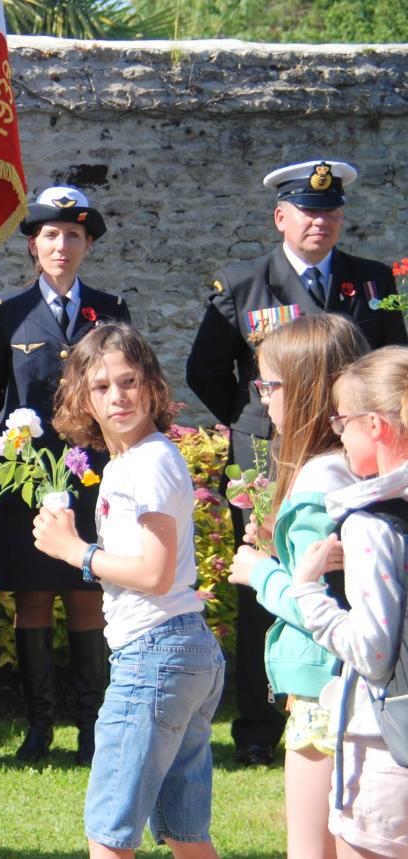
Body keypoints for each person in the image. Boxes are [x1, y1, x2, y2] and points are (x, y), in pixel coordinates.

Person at [187, 159, 408, 766]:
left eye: (332, 210)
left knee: (354, 568)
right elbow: (204, 369)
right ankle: (260, 723)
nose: (322, 221)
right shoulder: (242, 282)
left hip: (351, 447)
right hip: (269, 450)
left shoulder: (369, 279)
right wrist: (255, 416)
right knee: (273, 571)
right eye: (309, 212)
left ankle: (352, 689)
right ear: (281, 217)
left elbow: (394, 360)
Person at [32, 323, 223, 859]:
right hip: (179, 652)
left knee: (110, 834)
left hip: (155, 654)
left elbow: (156, 573)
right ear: (81, 398)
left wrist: (77, 551)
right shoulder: (131, 462)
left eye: (129, 380)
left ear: (151, 387)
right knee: (186, 832)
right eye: (101, 386)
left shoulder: (150, 461)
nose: (117, 396)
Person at [0, 185, 130, 764]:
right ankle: (38, 728)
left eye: (75, 235)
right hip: (28, 478)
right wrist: (15, 455)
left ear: (88, 244)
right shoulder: (5, 312)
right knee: (34, 599)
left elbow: (125, 385)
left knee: (87, 596)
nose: (63, 245)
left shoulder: (109, 311)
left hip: (92, 475)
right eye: (51, 235)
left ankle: (90, 726)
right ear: (34, 245)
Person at [226, 314, 369, 859]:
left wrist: (259, 570)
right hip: (359, 684)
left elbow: (323, 608)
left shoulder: (317, 480)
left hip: (322, 685)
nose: (263, 399)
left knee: (310, 847)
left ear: (307, 388)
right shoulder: (355, 469)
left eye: (270, 384)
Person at [290, 346, 408, 859]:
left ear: (376, 426)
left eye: (343, 421)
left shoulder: (371, 524)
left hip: (388, 746)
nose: (337, 434)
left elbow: (375, 652)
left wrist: (309, 591)